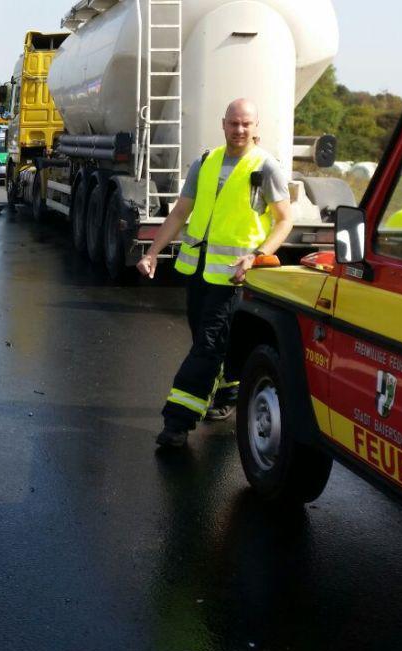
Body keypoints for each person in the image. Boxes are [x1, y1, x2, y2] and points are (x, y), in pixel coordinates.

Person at [137, 99, 294, 448]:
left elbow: (285, 221)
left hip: (234, 276)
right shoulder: (205, 163)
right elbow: (180, 213)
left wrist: (257, 256)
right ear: (223, 124)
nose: (239, 130)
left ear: (256, 127)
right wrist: (151, 254)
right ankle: (227, 394)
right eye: (233, 124)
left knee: (207, 346)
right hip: (198, 270)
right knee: (206, 343)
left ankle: (177, 421)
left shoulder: (266, 168)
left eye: (246, 125)